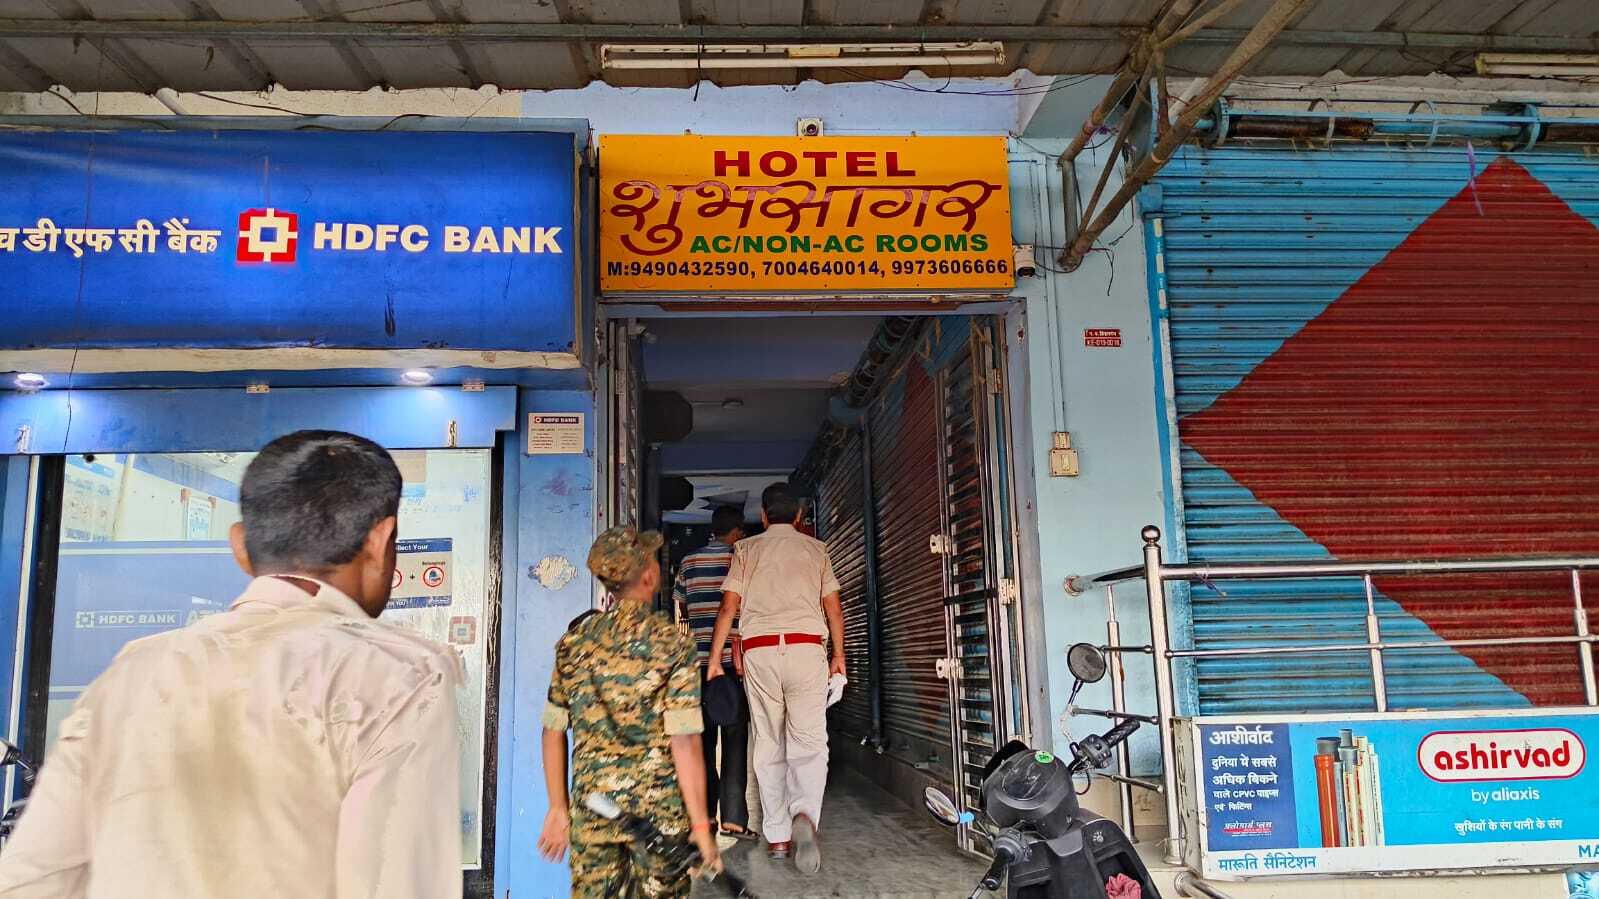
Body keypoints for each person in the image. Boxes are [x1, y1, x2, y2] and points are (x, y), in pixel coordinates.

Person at [0, 430, 464, 898]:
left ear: (240, 547)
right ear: (381, 540)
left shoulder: (131, 673)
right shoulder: (399, 676)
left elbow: (29, 882)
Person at [538, 526, 721, 898]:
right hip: (659, 817)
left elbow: (553, 730)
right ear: (650, 576)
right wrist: (701, 827)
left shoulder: (573, 644)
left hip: (593, 810)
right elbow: (684, 742)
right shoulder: (673, 644)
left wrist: (557, 808)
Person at [706, 483, 845, 875]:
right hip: (806, 650)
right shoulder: (816, 550)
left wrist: (715, 660)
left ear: (764, 516)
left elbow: (728, 608)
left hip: (761, 651)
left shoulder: (746, 550)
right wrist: (838, 656)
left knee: (769, 742)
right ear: (799, 517)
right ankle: (805, 815)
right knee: (810, 742)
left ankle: (779, 836)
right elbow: (833, 609)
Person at [670, 505, 753, 843]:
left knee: (702, 743)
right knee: (735, 741)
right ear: (736, 531)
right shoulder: (741, 560)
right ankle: (733, 820)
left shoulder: (689, 562)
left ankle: (704, 815)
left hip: (696, 666)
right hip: (731, 665)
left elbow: (682, 606)